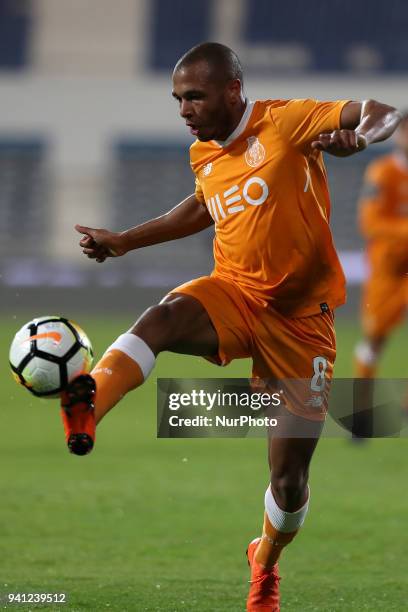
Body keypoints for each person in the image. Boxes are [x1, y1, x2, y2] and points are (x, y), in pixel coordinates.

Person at [59, 43, 401, 611]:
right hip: (235, 294)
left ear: (232, 90)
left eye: (194, 96)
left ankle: (264, 563)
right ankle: (89, 400)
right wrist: (125, 241)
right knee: (162, 317)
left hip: (301, 325)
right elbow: (202, 206)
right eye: (178, 99)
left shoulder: (287, 121)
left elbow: (382, 109)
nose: (184, 109)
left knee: (288, 483)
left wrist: (361, 137)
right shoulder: (205, 154)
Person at [354, 113, 408, 381]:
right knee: (376, 335)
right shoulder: (383, 171)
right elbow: (370, 223)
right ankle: (362, 395)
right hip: (388, 266)